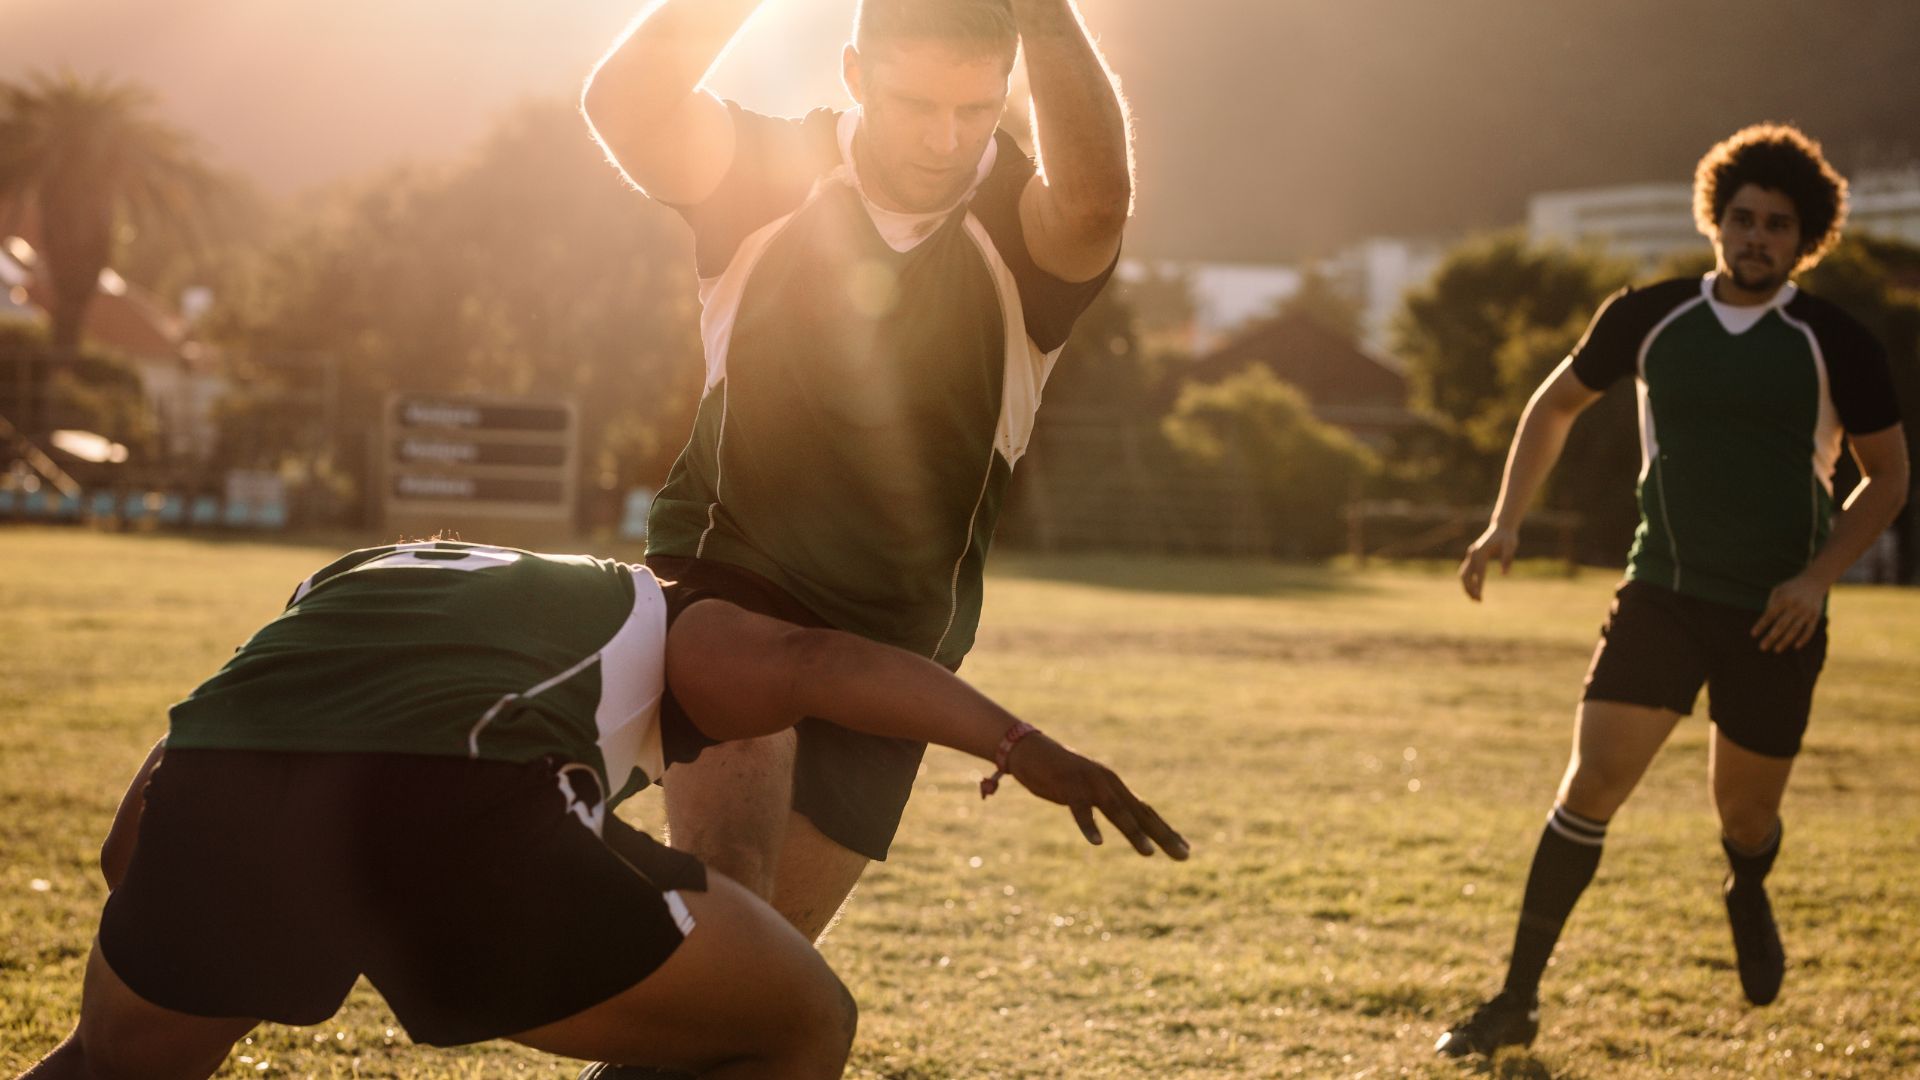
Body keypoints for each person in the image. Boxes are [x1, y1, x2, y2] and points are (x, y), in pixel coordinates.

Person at [17, 540, 1186, 1080]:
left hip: (217, 788)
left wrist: (190, 914)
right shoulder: (662, 614)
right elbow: (815, 658)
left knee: (108, 1070)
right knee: (798, 1021)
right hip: (464, 798)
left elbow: (174, 780)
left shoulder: (358, 576)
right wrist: (1023, 744)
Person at [578, 0, 1131, 949]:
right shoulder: (764, 173)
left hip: (900, 639)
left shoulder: (1027, 230)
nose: (945, 137)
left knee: (758, 994)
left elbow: (1097, 205)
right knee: (729, 925)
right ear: (853, 74)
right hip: (732, 587)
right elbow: (624, 109)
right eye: (916, 103)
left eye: (974, 108)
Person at [1435, 124, 1910, 1058]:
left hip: (1776, 613)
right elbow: (1553, 404)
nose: (1756, 238)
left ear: (1804, 239)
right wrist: (1504, 521)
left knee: (1746, 814)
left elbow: (1888, 478)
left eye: (1778, 225)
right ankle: (1514, 1001)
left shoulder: (1833, 342)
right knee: (1594, 782)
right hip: (1663, 592)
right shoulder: (1649, 316)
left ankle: (1746, 881)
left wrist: (1816, 580)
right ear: (1715, 222)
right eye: (1741, 219)